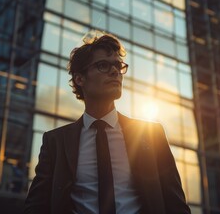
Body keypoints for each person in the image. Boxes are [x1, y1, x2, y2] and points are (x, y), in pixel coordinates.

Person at [24, 33, 191, 214]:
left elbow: (176, 205)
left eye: (118, 66)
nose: (115, 72)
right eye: (103, 65)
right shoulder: (55, 141)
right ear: (80, 79)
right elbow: (36, 206)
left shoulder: (151, 134)